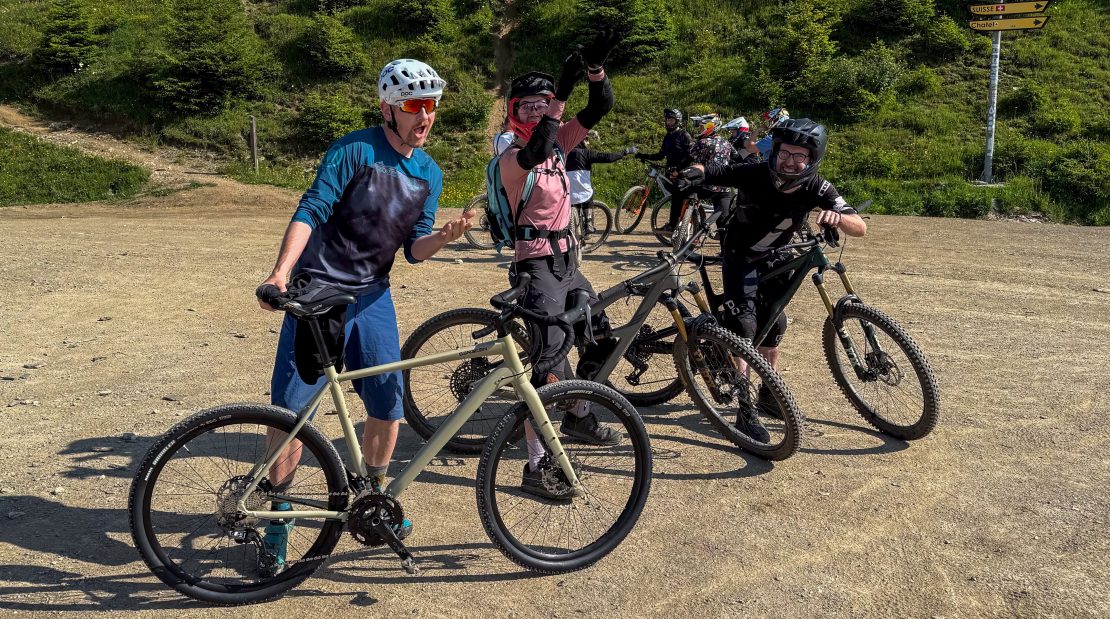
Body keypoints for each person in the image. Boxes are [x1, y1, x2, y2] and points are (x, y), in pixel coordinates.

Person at [255, 58, 474, 575]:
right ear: (388, 108)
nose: (426, 117)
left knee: (387, 406)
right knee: (291, 415)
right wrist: (281, 274)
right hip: (318, 295)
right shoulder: (355, 148)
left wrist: (443, 235)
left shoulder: (428, 172)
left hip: (374, 298)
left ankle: (374, 500)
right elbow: (312, 208)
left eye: (432, 107)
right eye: (415, 106)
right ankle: (277, 518)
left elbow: (413, 250)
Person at [679, 118, 866, 442]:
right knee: (746, 329)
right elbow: (714, 170)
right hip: (740, 255)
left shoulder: (817, 188)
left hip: (775, 256)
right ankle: (744, 410)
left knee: (775, 324)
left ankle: (767, 393)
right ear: (775, 152)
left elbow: (859, 225)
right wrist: (694, 171)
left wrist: (839, 218)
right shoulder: (755, 173)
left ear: (812, 158)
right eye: (785, 153)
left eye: (800, 155)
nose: (791, 161)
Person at [499, 29, 622, 499]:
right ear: (514, 110)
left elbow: (599, 109)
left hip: (569, 260)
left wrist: (594, 71)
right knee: (547, 363)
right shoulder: (509, 149)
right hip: (536, 263)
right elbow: (533, 152)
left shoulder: (559, 145)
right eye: (527, 102)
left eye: (543, 101)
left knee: (599, 330)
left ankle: (578, 414)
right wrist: (559, 96)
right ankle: (536, 467)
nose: (537, 107)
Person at [566, 129, 638, 232]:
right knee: (588, 192)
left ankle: (571, 224)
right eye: (586, 140)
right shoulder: (587, 153)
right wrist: (625, 152)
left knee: (572, 194)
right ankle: (588, 222)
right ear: (580, 140)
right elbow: (608, 157)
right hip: (583, 192)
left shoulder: (564, 153)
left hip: (567, 194)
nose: (588, 142)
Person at [635, 108, 693, 232]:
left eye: (672, 120)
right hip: (670, 172)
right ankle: (677, 227)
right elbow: (660, 155)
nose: (669, 123)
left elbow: (691, 156)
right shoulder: (668, 136)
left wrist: (679, 169)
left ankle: (677, 227)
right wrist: (644, 155)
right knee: (675, 200)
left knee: (679, 199)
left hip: (681, 173)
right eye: (667, 120)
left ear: (678, 121)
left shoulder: (685, 135)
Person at [688, 113, 735, 225]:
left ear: (709, 128)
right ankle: (718, 233)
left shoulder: (702, 142)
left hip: (706, 183)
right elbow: (736, 156)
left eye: (701, 127)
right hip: (724, 185)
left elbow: (690, 157)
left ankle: (694, 226)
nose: (699, 129)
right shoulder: (727, 143)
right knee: (723, 217)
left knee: (687, 196)